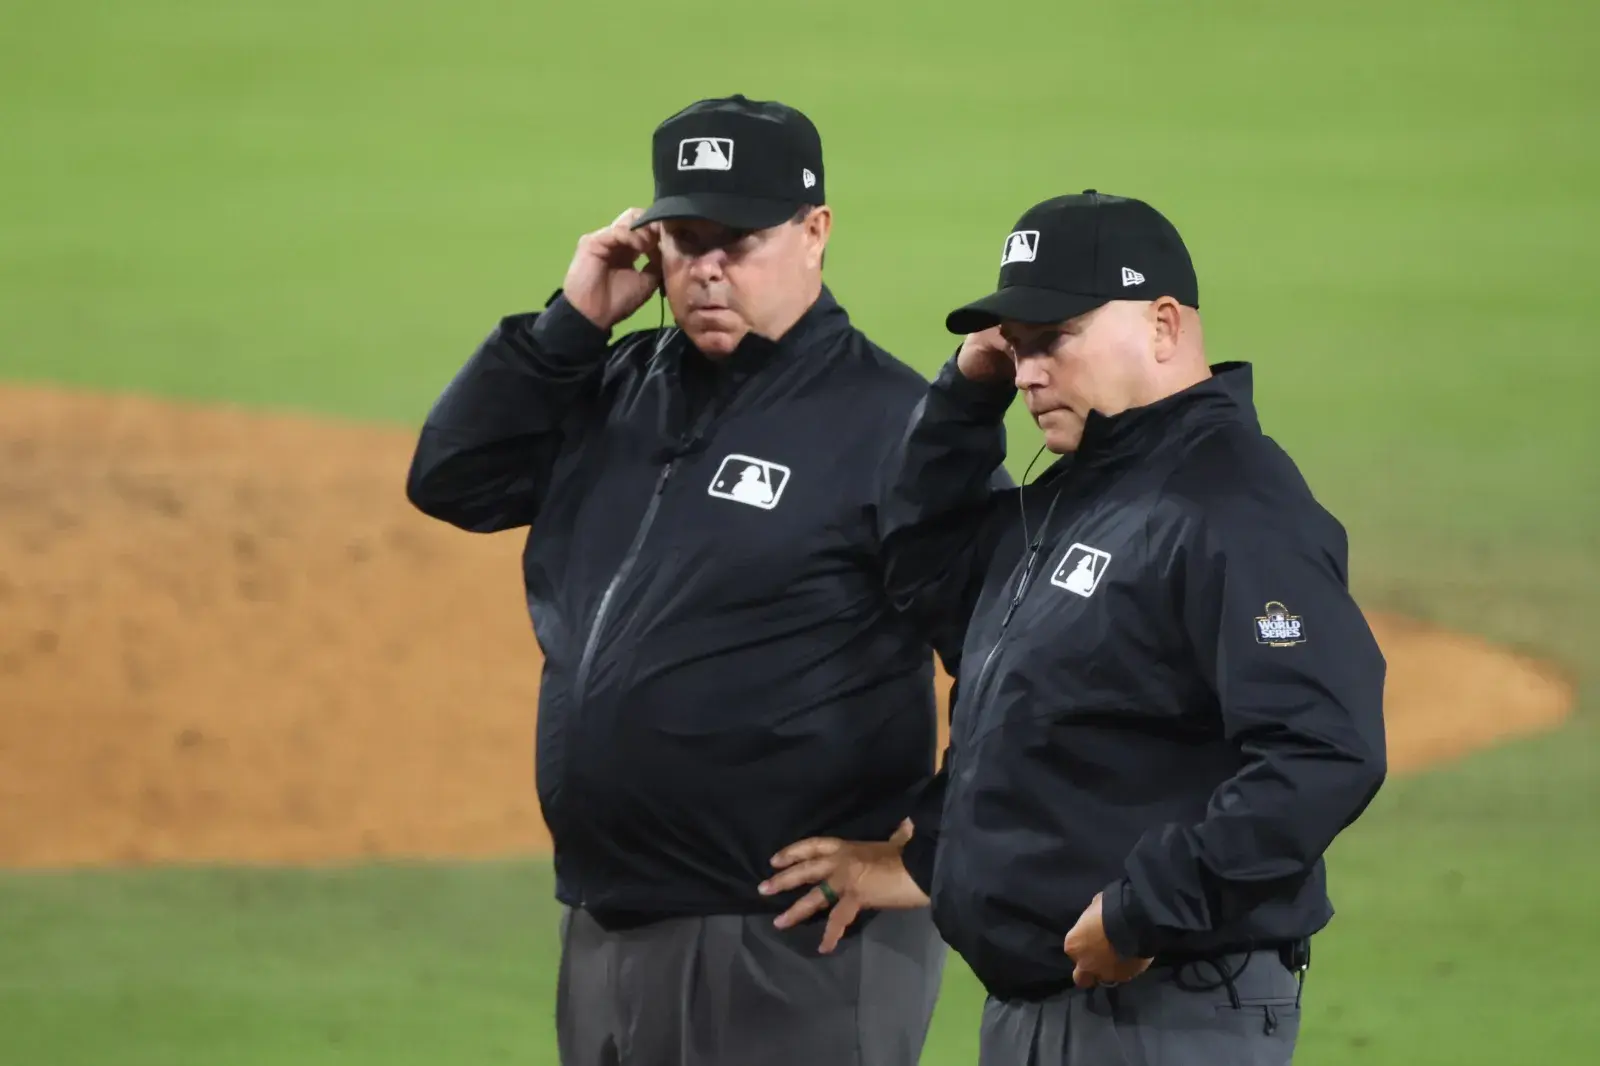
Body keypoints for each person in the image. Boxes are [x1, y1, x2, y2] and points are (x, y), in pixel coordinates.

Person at [759, 190, 1389, 1065]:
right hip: (1047, 1008)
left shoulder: (1232, 505)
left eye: (1053, 339)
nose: (1025, 372)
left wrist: (1146, 910)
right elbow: (923, 564)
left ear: (1164, 326)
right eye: (1015, 347)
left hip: (1161, 1004)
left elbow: (1325, 748)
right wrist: (964, 396)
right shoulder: (1080, 493)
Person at [404, 93, 964, 1066]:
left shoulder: (895, 426)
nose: (704, 269)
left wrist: (927, 853)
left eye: (736, 241)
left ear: (815, 233)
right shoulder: (613, 389)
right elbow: (454, 478)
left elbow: (1027, 653)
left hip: (794, 945)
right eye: (681, 238)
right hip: (610, 923)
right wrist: (568, 325)